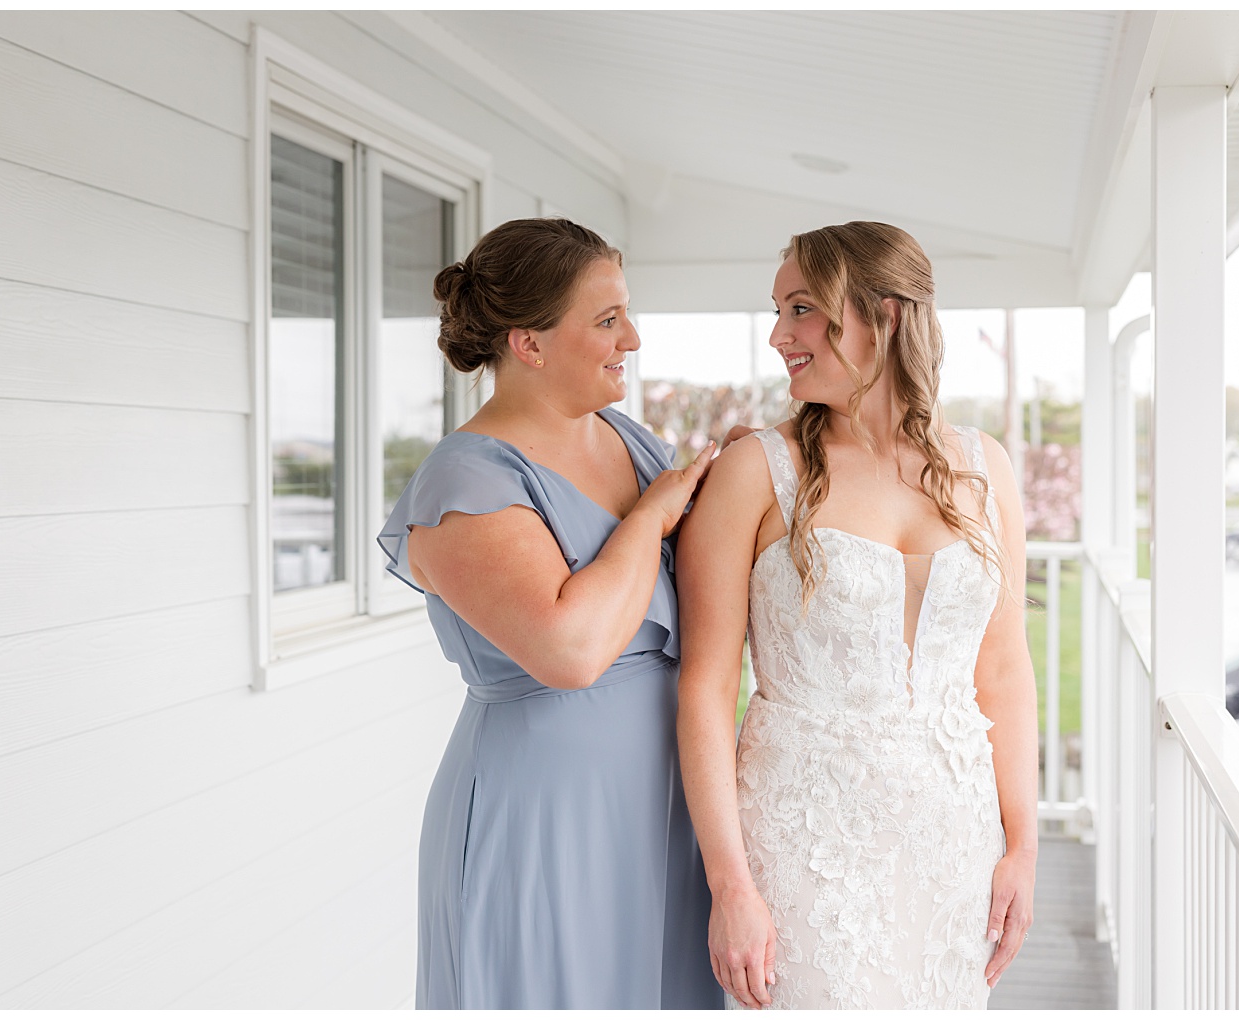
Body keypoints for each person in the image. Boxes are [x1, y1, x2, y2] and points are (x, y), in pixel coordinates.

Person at [676, 222, 1039, 1009]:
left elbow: (1004, 671)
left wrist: (1024, 846)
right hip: (806, 847)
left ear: (886, 313)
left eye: (801, 309)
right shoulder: (754, 473)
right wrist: (730, 883)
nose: (778, 336)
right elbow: (705, 690)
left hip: (953, 844)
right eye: (778, 311)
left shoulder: (986, 468)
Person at [377, 218, 722, 1009]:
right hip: (545, 810)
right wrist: (650, 517)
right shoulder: (463, 485)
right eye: (606, 321)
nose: (630, 337)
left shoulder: (627, 441)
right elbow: (569, 651)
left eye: (626, 314)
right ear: (527, 343)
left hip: (663, 801)